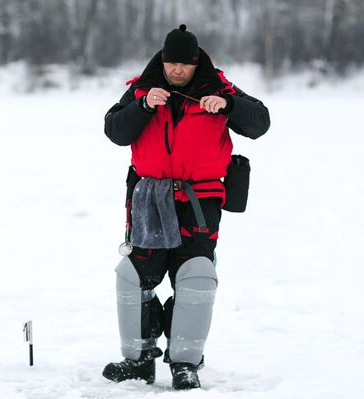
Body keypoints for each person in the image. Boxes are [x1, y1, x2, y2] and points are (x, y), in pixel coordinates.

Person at [101, 24, 270, 390]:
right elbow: (114, 131)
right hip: (150, 198)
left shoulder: (218, 88)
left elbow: (260, 123)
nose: (176, 70)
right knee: (134, 278)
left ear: (196, 64)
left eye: (184, 64)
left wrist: (228, 105)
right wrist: (144, 105)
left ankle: (184, 363)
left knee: (194, 276)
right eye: (171, 62)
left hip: (200, 199)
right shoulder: (142, 88)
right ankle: (139, 360)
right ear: (162, 59)